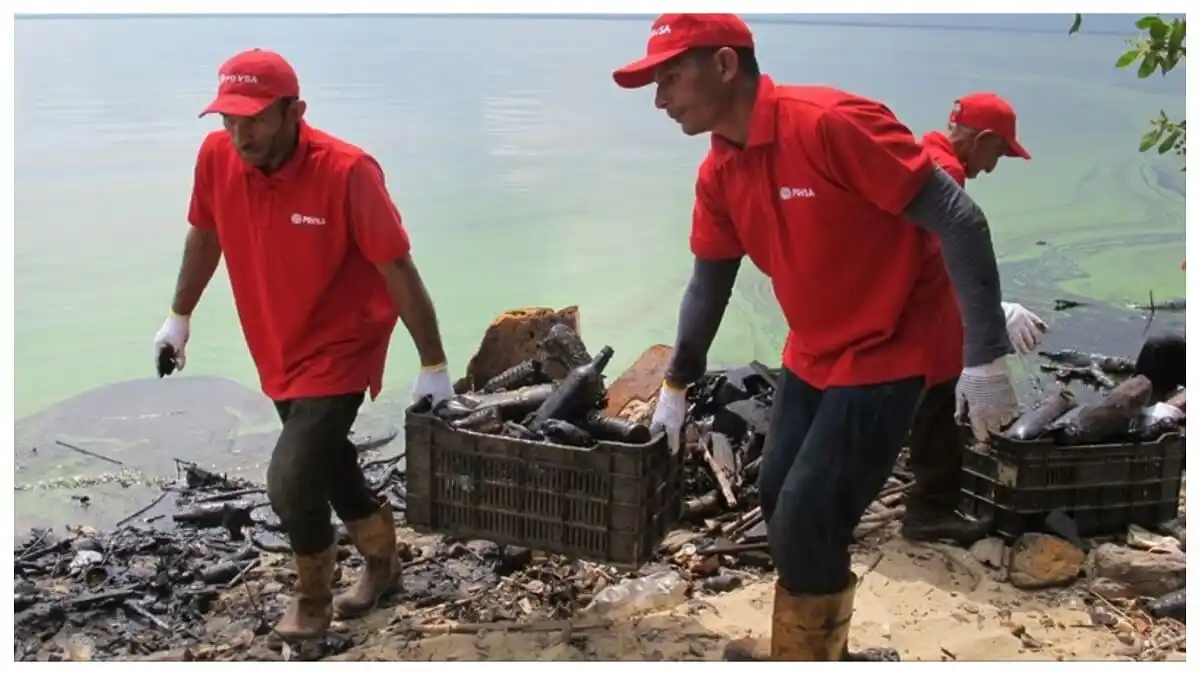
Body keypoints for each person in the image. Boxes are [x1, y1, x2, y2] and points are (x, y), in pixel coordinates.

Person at [613, 14, 1019, 661]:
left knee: (808, 513)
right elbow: (708, 283)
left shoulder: (831, 123)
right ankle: (813, 644)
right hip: (811, 350)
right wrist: (676, 384)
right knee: (778, 500)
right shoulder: (720, 169)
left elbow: (958, 217)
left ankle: (810, 656)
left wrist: (986, 355)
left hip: (889, 348)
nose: (660, 99)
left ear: (724, 65)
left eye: (670, 77)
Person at [152, 49, 455, 639]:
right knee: (332, 465)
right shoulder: (217, 157)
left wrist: (433, 363)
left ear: (295, 111)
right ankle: (383, 563)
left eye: (255, 119)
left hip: (344, 344)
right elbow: (205, 232)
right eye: (228, 120)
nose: (240, 134)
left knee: (290, 482)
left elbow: (397, 268)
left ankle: (313, 598)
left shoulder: (347, 172)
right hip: (277, 343)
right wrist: (178, 316)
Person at [901, 93, 1049, 544]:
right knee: (941, 399)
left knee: (918, 405)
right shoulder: (946, 175)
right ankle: (929, 512)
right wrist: (992, 314)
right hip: (913, 313)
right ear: (981, 139)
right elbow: (934, 262)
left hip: (895, 308)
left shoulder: (920, 154)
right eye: (999, 151)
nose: (996, 164)